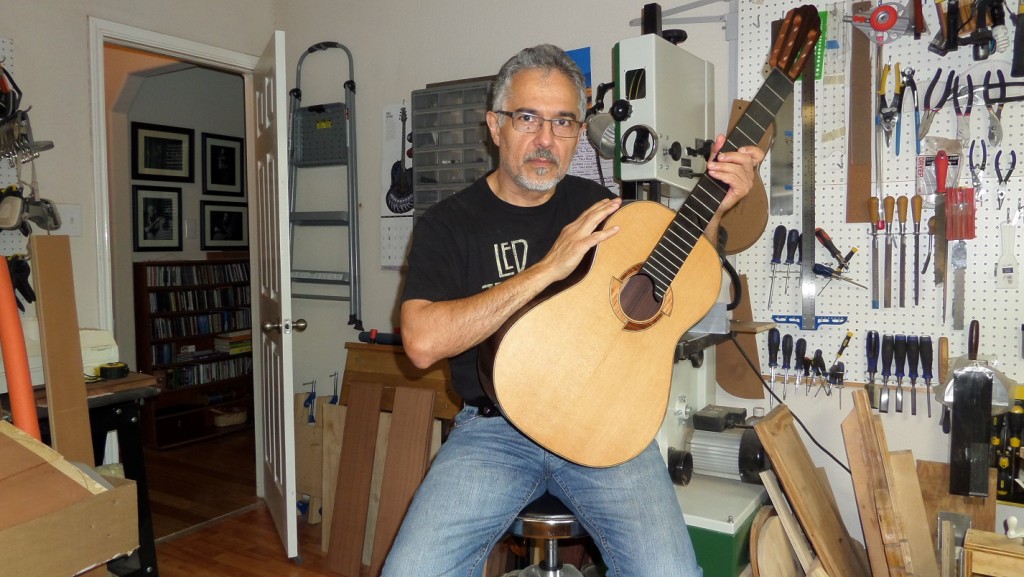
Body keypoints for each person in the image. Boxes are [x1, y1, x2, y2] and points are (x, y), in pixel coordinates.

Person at [383, 44, 764, 577]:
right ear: (495, 126)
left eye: (563, 122)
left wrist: (716, 204)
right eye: (527, 118)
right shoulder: (448, 224)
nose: (545, 140)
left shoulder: (599, 204)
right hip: (495, 431)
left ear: (580, 131)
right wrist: (547, 268)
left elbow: (668, 269)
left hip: (606, 423)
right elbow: (421, 344)